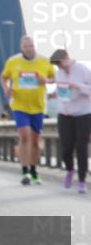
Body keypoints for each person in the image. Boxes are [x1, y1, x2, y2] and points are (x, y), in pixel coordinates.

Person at [1, 36, 56, 186]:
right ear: (21, 48)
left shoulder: (44, 61)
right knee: (24, 136)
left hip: (38, 106)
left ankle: (33, 170)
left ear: (34, 46)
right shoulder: (13, 61)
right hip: (19, 105)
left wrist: (46, 81)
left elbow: (54, 77)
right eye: (26, 46)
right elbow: (3, 77)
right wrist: (6, 89)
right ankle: (25, 171)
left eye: (31, 46)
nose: (29, 49)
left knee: (36, 142)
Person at [50, 49, 91, 194]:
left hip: (83, 114)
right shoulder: (59, 72)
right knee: (66, 147)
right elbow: (61, 89)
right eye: (57, 66)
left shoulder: (83, 70)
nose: (60, 68)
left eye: (61, 64)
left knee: (81, 147)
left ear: (67, 59)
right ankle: (70, 170)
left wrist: (79, 87)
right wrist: (54, 94)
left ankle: (81, 181)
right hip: (64, 114)